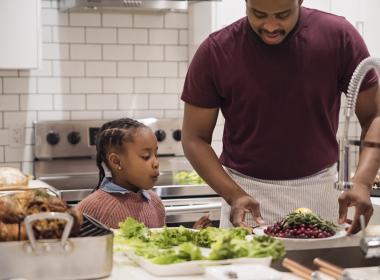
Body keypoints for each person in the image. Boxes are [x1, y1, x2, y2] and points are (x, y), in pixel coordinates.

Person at [181, 0, 380, 234]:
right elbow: (194, 138)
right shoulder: (216, 50)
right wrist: (233, 195)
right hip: (246, 195)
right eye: (258, 14)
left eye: (283, 15)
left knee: (319, 270)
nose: (271, 26)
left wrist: (363, 182)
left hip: (321, 191)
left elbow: (374, 116)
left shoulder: (338, 36)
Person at [77, 118, 212, 229]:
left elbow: (158, 248)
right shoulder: (91, 208)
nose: (156, 163)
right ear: (117, 162)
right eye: (146, 156)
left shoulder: (155, 203)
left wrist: (192, 235)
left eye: (156, 154)